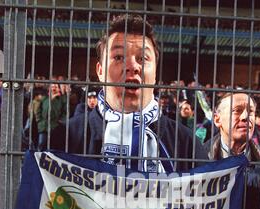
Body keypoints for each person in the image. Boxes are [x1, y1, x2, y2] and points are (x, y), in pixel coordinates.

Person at [88, 14, 207, 171]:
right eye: (118, 57)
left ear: (155, 72)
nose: (132, 66)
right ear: (100, 71)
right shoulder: (65, 137)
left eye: (142, 58)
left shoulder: (188, 144)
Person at [68, 88, 98, 153]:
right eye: (89, 98)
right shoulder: (81, 107)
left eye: (95, 98)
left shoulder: (101, 109)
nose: (92, 100)